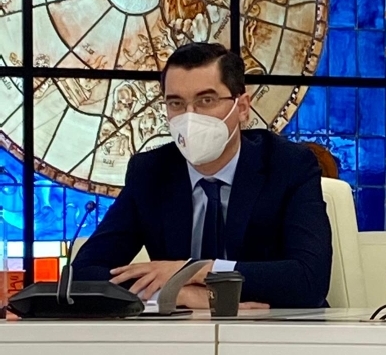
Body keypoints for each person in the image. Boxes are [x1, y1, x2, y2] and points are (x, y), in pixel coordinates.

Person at [73, 42, 333, 309]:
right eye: (176, 103)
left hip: (277, 328)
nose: (190, 117)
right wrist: (176, 295)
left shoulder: (288, 165)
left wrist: (197, 272)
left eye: (206, 100)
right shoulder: (151, 172)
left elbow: (309, 280)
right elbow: (84, 275)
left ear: (242, 107)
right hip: (183, 329)